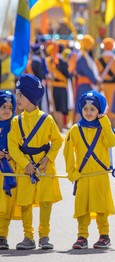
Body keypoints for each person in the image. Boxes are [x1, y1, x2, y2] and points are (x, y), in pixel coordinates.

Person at [8, 74, 63, 250]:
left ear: (30, 97)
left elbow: (57, 140)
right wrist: (25, 164)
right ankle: (28, 236)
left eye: (20, 95)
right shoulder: (16, 122)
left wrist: (49, 157)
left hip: (44, 167)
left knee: (45, 202)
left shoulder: (46, 119)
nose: (17, 99)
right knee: (25, 202)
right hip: (25, 169)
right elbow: (13, 147)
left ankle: (45, 235)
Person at [63, 90, 115, 249]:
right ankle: (82, 236)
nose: (88, 112)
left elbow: (112, 142)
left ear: (99, 110)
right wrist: (72, 173)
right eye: (85, 109)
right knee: (82, 209)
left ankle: (104, 235)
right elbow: (67, 153)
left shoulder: (103, 128)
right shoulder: (75, 130)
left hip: (100, 175)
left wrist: (105, 121)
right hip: (83, 175)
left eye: (93, 109)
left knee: (101, 208)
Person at [0, 91, 20, 250]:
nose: (7, 110)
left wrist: (10, 154)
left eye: (10, 107)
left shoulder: (15, 126)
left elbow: (20, 146)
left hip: (8, 170)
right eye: (3, 106)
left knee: (5, 206)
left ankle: (2, 235)